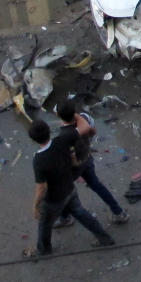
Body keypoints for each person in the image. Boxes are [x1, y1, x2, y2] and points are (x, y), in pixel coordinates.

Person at [28, 119, 114, 256]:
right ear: (49, 132)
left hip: (54, 199)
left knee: (44, 224)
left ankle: (43, 250)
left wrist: (35, 206)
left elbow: (41, 187)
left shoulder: (38, 160)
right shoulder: (60, 141)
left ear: (33, 139)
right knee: (81, 213)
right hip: (69, 188)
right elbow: (80, 139)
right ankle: (104, 238)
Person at [54, 100, 128, 228]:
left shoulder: (64, 135)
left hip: (74, 167)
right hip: (86, 158)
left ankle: (65, 218)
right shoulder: (84, 119)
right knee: (96, 185)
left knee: (62, 192)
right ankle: (118, 212)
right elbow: (92, 131)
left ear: (60, 116)